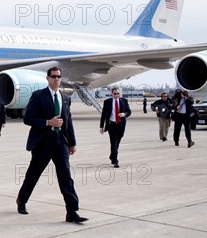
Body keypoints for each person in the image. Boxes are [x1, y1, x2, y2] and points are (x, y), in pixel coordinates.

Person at [16, 66, 88, 223]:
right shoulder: (38, 96)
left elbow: (68, 122)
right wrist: (49, 122)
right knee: (33, 175)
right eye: (54, 76)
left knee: (66, 177)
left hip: (60, 142)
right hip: (42, 143)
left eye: (59, 77)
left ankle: (72, 212)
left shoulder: (65, 98)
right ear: (47, 78)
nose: (57, 79)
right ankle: (22, 200)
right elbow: (28, 119)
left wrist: (72, 143)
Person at [99, 87, 132, 168]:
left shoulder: (124, 101)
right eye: (115, 94)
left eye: (118, 93)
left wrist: (124, 114)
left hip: (121, 124)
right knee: (113, 143)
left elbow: (129, 111)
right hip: (111, 124)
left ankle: (112, 156)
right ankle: (115, 160)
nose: (116, 95)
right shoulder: (107, 102)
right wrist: (101, 126)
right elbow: (103, 115)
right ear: (112, 94)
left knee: (117, 142)